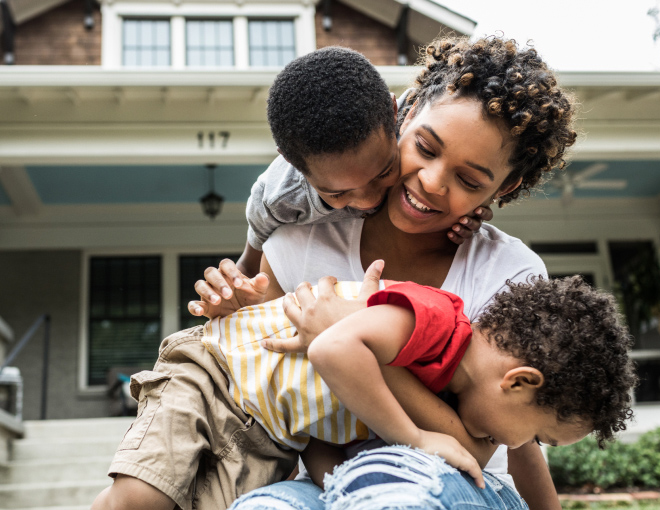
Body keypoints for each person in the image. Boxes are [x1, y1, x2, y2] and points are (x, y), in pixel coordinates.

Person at [191, 35, 578, 510]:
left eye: (470, 180)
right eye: (426, 148)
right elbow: (282, 399)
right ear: (405, 113)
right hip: (327, 476)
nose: (432, 182)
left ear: (506, 186)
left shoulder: (507, 273)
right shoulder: (297, 242)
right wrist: (233, 307)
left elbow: (487, 440)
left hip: (457, 480)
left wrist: (343, 338)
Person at [228, 276, 637, 510]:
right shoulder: (435, 323)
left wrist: (332, 488)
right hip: (218, 376)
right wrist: (417, 437)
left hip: (255, 427)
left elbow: (322, 434)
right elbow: (329, 347)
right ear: (519, 381)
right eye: (535, 437)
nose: (519, 446)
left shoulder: (436, 382)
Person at [233, 46, 490, 280]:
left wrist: (470, 208)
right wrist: (229, 291)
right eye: (338, 193)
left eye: (384, 172)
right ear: (293, 163)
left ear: (395, 114)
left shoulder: (423, 118)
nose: (368, 201)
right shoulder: (278, 199)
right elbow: (246, 270)